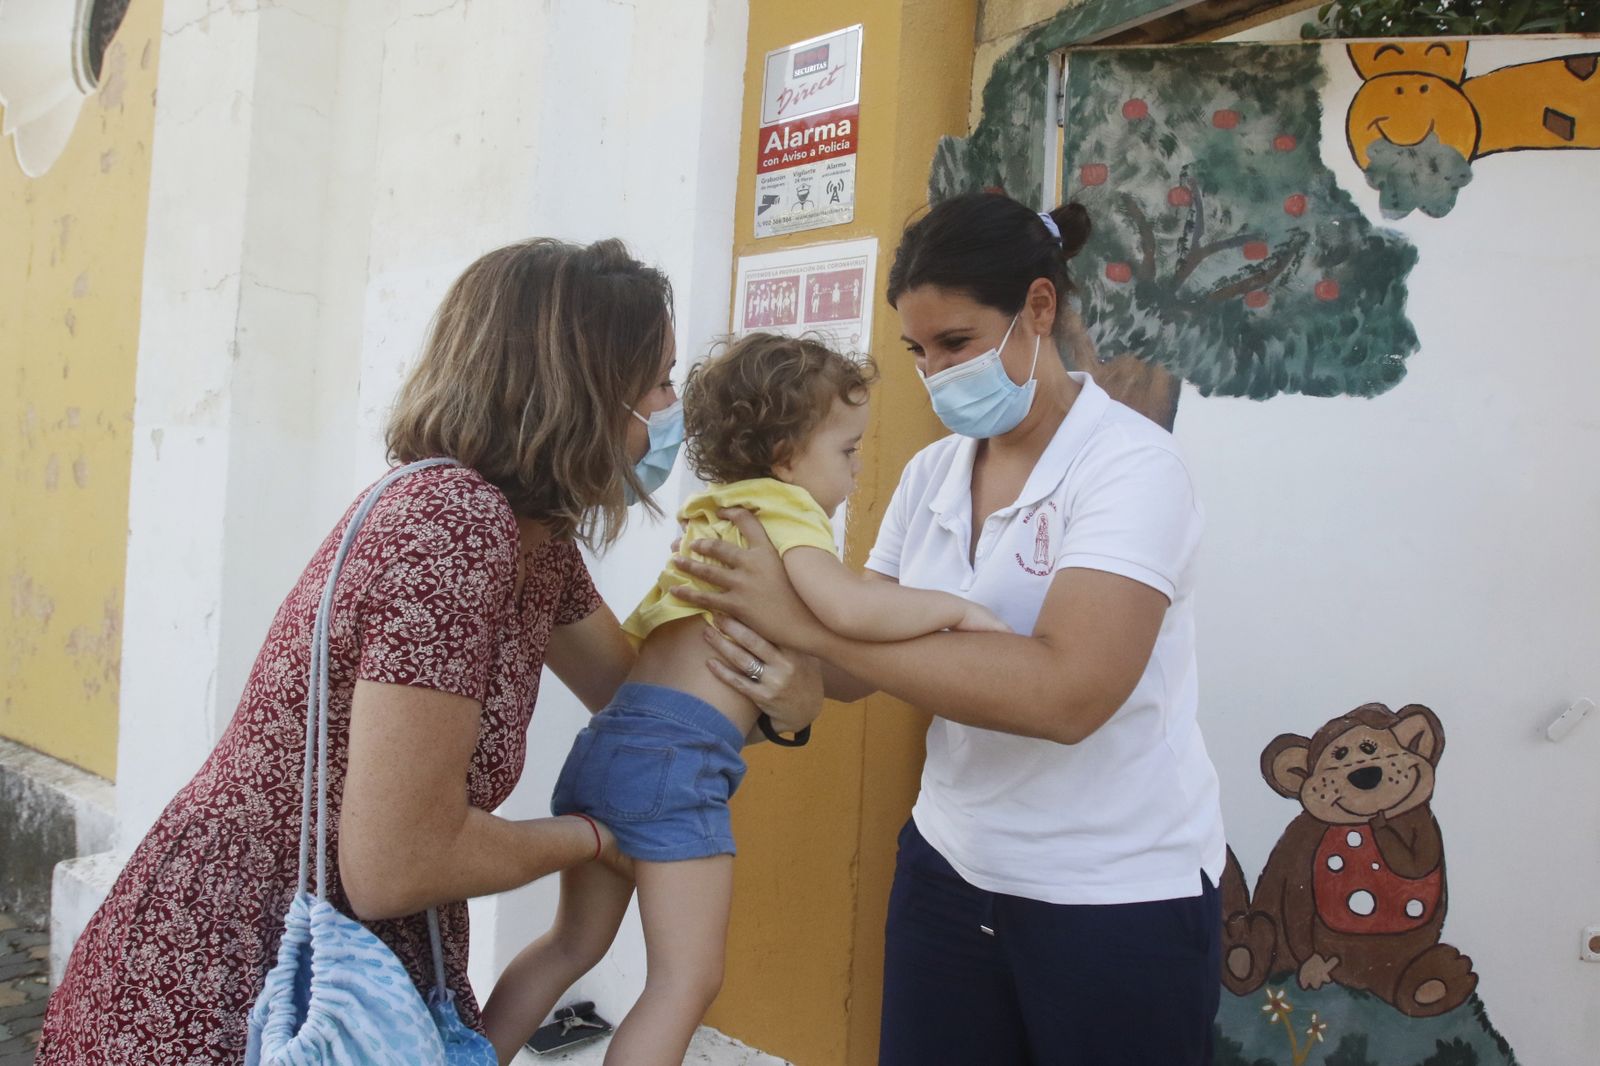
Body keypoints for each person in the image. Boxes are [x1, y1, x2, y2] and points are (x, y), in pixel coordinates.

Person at [36, 239, 822, 1065]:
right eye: (657, 381)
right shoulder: (454, 524)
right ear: (585, 387)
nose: (669, 411)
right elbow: (398, 863)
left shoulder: (534, 541)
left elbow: (640, 702)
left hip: (344, 957)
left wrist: (785, 704)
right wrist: (591, 839)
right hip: (247, 974)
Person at [672, 193, 1227, 1065]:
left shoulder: (1131, 469)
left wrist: (813, 631)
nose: (935, 373)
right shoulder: (934, 472)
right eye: (918, 351)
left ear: (1037, 309)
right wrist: (784, 655)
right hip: (949, 869)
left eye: (957, 343)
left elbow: (1068, 695)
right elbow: (867, 668)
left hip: (1113, 894)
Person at [478, 332, 1008, 1066]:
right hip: (677, 769)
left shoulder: (713, 514)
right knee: (686, 981)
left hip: (610, 745)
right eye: (847, 452)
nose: (855, 475)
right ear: (789, 457)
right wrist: (954, 608)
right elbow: (849, 610)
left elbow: (654, 643)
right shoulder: (782, 512)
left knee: (570, 944)